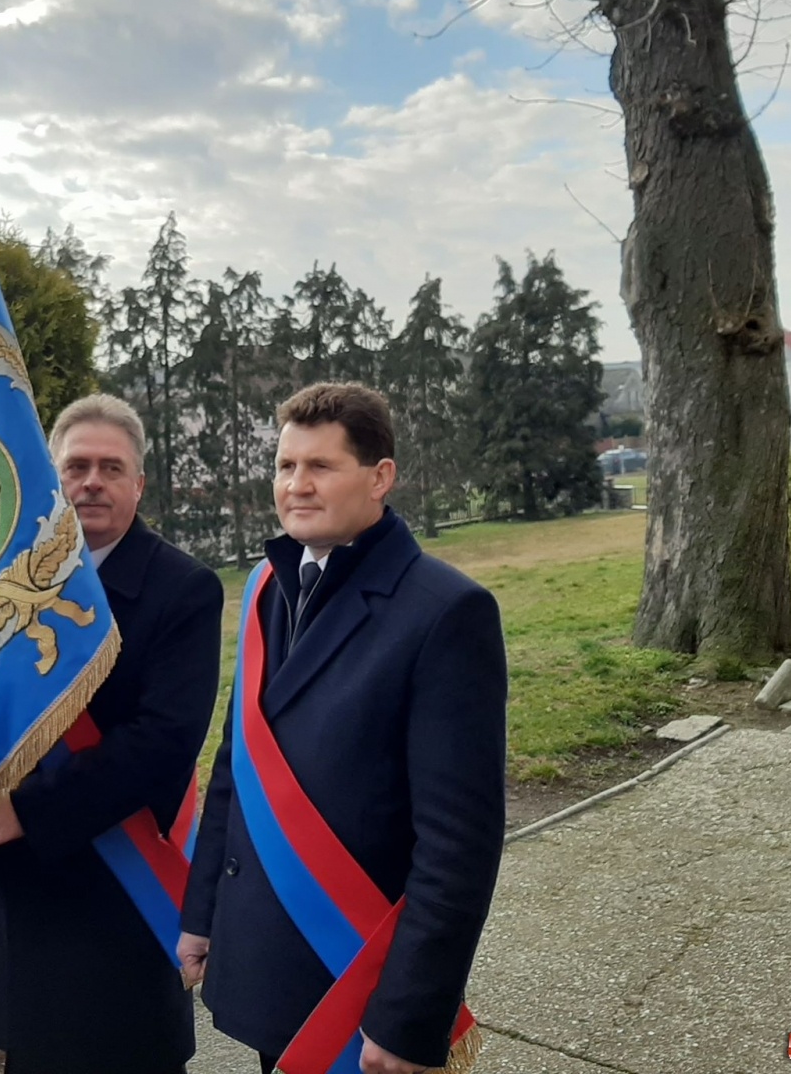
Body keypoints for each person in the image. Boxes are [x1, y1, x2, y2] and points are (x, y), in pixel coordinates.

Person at [178, 383, 507, 1074]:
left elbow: (460, 844)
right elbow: (237, 768)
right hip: (271, 960)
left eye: (320, 466)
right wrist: (203, 912)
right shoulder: (271, 587)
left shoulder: (446, 612)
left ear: (379, 476)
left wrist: (409, 1016)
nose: (296, 485)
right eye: (285, 466)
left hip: (360, 980)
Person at [0, 394, 224, 1074]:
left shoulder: (183, 589)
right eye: (76, 466)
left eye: (110, 467)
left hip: (121, 892)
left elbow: (164, 742)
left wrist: (24, 812)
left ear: (138, 484)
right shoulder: (8, 588)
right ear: (52, 477)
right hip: (29, 893)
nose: (91, 481)